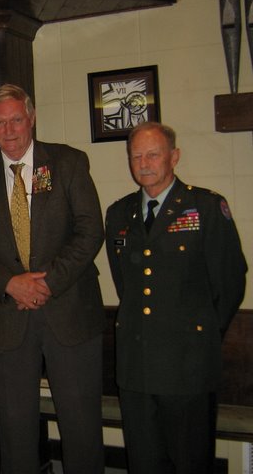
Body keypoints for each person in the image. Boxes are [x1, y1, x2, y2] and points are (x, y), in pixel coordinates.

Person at [0, 84, 106, 474]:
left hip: (70, 314)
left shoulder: (68, 163)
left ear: (32, 118)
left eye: (16, 120)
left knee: (82, 429)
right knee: (15, 432)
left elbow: (90, 230)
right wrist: (10, 283)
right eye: (0, 122)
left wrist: (47, 283)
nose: (8, 130)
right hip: (9, 319)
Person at [105, 121, 247, 474]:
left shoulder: (205, 207)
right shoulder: (119, 213)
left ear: (174, 157)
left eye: (153, 154)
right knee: (144, 462)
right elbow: (126, 283)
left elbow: (229, 282)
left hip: (188, 366)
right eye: (136, 156)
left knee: (190, 462)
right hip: (136, 367)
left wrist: (201, 336)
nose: (144, 163)